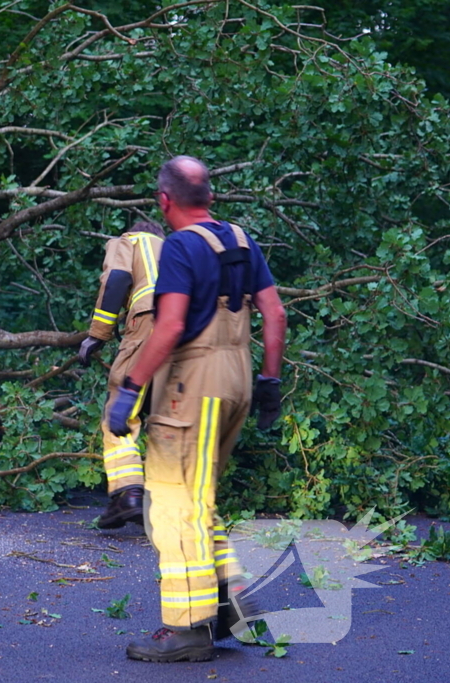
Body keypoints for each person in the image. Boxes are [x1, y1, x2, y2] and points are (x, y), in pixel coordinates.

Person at [109, 156, 286, 663]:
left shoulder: (181, 246)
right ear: (209, 195)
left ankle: (186, 628)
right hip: (238, 381)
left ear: (164, 201)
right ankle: (232, 600)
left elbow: (169, 326)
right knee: (198, 496)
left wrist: (132, 388)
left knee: (171, 504)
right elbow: (275, 313)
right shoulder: (241, 240)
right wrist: (270, 381)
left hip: (194, 387)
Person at [78, 220, 168, 530]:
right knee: (166, 418)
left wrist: (98, 334)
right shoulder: (178, 249)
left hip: (149, 322)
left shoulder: (131, 240)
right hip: (189, 332)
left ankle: (129, 493)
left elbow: (117, 278)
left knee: (121, 410)